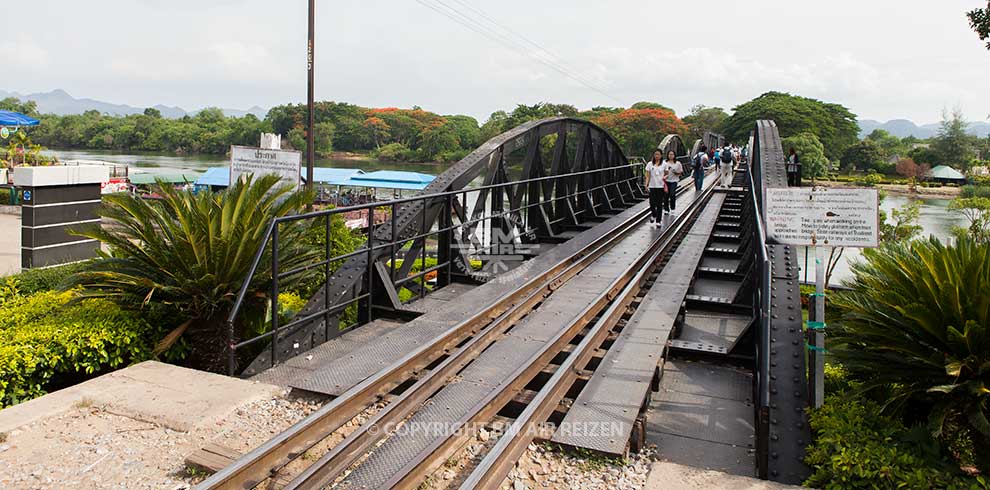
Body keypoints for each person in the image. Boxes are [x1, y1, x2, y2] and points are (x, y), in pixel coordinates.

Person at [644, 150, 665, 223]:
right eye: (655, 154)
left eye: (658, 154)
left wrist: (665, 177)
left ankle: (658, 221)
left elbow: (666, 173)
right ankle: (653, 214)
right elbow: (647, 175)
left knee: (659, 204)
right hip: (652, 186)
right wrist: (646, 184)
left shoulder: (664, 164)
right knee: (652, 202)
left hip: (660, 186)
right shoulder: (650, 164)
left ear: (661, 155)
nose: (657, 156)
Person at [659, 150, 683, 216]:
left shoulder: (678, 163)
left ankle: (672, 208)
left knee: (672, 194)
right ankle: (666, 209)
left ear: (674, 155)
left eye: (672, 154)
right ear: (667, 155)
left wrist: (676, 172)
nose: (671, 156)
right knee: (666, 195)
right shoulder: (664, 163)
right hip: (666, 181)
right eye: (669, 154)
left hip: (674, 181)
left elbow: (681, 172)